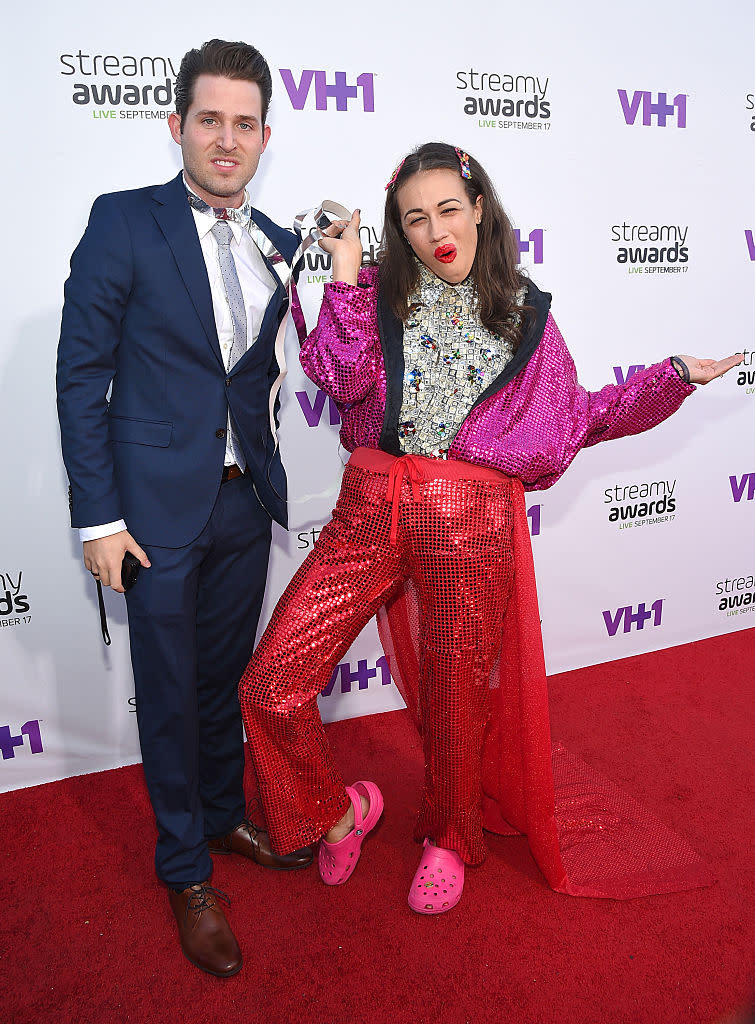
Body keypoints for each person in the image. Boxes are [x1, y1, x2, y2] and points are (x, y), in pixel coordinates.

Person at [238, 142, 742, 916]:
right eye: (413, 218)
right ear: (398, 233)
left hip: (469, 526)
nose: (435, 229)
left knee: (456, 699)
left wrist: (669, 378)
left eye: (447, 208)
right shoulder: (375, 298)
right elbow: (337, 380)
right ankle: (335, 813)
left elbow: (581, 417)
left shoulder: (527, 316)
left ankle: (451, 836)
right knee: (271, 683)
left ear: (478, 210)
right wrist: (343, 273)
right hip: (369, 510)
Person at [56, 38, 314, 978]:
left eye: (244, 124)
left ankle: (218, 815)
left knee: (219, 684)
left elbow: (268, 374)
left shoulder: (279, 243)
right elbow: (81, 375)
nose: (227, 138)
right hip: (152, 512)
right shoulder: (124, 222)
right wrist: (98, 519)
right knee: (166, 697)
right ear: (177, 126)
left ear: (264, 136)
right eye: (210, 119)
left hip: (246, 504)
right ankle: (184, 868)